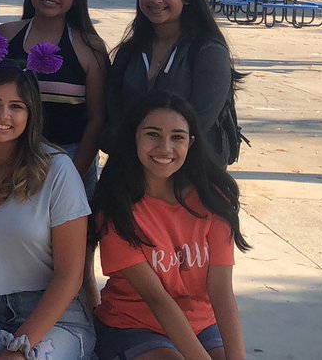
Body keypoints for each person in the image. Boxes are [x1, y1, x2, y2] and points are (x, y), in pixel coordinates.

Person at [0, 66, 93, 360]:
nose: (3, 116)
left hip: (54, 317)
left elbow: (69, 276)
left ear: (31, 114)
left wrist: (21, 347)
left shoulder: (58, 171)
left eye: (16, 106)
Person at [92, 91, 250, 360]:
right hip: (132, 325)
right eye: (152, 134)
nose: (165, 147)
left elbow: (221, 291)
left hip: (201, 324)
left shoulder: (213, 198)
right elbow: (158, 300)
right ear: (134, 138)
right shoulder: (116, 208)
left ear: (191, 142)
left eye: (177, 137)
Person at [107, 0, 241, 165]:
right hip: (134, 174)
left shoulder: (208, 52)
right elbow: (112, 111)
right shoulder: (130, 51)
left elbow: (200, 121)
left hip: (192, 177)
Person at [1, 0, 108, 187]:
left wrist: (72, 175)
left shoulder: (90, 47)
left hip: (69, 161)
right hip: (8, 163)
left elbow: (97, 119)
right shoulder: (5, 36)